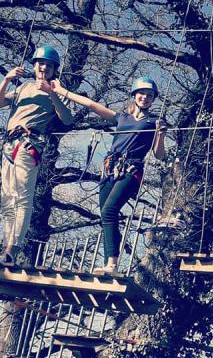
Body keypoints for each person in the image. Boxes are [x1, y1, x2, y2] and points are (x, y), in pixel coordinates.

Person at [52, 77, 166, 274]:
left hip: (132, 170)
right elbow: (91, 104)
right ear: (134, 95)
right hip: (110, 169)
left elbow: (159, 154)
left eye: (149, 96)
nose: (145, 98)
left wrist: (161, 134)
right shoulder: (121, 118)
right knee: (106, 214)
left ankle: (112, 264)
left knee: (109, 210)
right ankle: (109, 265)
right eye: (142, 94)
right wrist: (62, 92)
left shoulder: (154, 122)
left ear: (153, 99)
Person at [0, 46, 74, 264]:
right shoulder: (23, 87)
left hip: (28, 144)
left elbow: (67, 119)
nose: (43, 68)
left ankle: (13, 249)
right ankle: (6, 248)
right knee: (6, 199)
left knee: (22, 197)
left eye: (48, 65)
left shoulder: (57, 89)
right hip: (8, 144)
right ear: (33, 66)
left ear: (54, 70)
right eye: (40, 64)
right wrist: (6, 80)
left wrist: (51, 92)